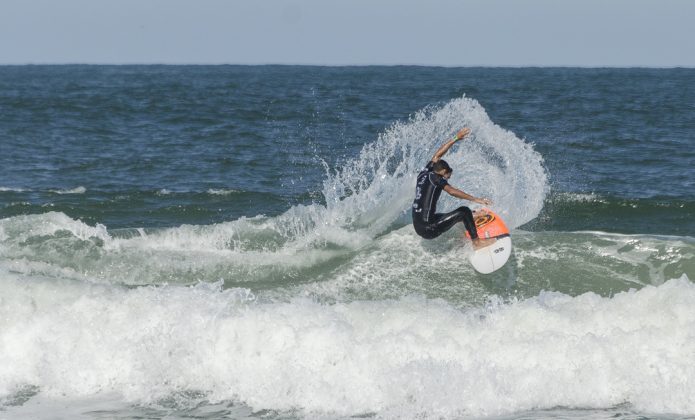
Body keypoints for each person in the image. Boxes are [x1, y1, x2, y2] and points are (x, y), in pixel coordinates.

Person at [412, 127, 497, 249]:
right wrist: (476, 199)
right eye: (447, 177)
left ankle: (472, 217)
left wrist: (456, 138)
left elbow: (437, 155)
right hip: (428, 229)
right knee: (464, 211)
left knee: (451, 215)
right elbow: (452, 191)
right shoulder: (436, 178)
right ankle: (477, 242)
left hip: (419, 225)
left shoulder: (424, 173)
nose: (446, 179)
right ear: (443, 171)